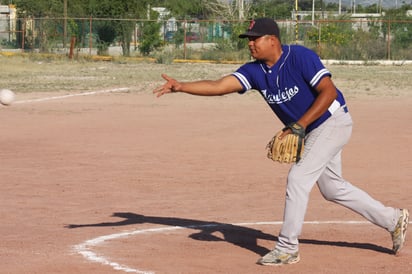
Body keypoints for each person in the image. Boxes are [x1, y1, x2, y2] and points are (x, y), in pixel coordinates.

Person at [153, 18, 409, 266]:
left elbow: (329, 92)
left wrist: (299, 125)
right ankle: (393, 219)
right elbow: (221, 85)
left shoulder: (299, 57)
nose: (250, 44)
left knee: (298, 179)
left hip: (333, 121)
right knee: (333, 189)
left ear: (272, 40)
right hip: (310, 131)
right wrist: (182, 86)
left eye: (255, 39)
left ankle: (287, 248)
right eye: (248, 40)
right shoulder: (254, 71)